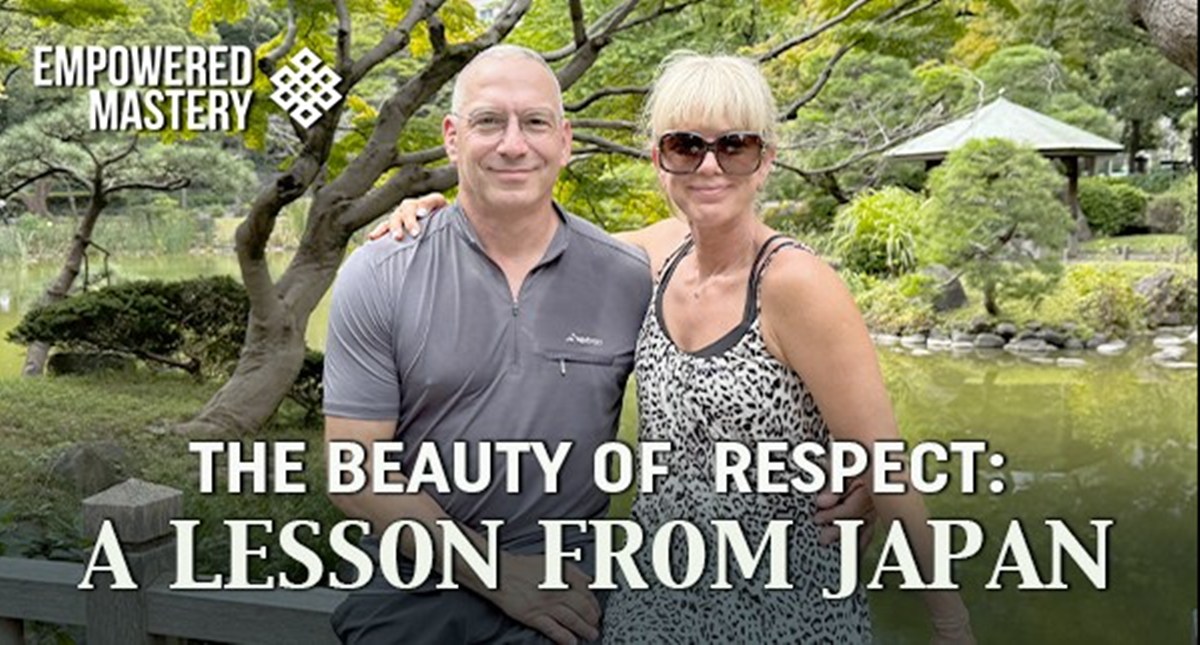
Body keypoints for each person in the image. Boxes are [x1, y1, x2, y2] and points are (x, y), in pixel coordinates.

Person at [376, 52, 974, 644]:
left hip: (778, 610)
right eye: (686, 147)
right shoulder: (657, 257)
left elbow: (888, 468)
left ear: (765, 160)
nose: (709, 168)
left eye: (734, 146)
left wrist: (951, 627)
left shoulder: (795, 284)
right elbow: (528, 236)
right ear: (658, 159)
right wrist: (441, 217)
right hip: (652, 602)